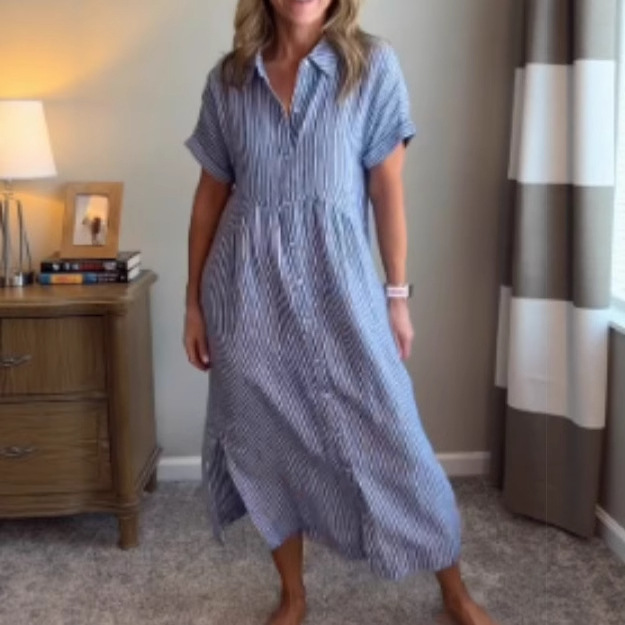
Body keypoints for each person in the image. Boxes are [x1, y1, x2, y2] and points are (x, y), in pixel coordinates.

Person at [183, 1, 498, 624]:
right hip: (245, 297)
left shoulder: (371, 67)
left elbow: (387, 189)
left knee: (394, 437)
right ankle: (293, 594)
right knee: (263, 445)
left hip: (341, 292)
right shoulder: (229, 81)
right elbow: (208, 199)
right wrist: (194, 303)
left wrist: (397, 298)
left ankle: (454, 589)